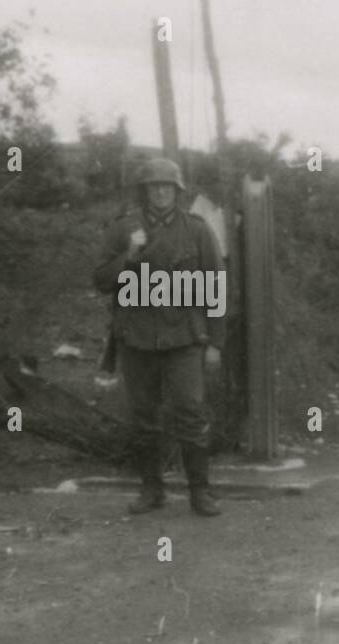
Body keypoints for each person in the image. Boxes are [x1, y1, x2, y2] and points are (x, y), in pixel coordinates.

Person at [92, 157, 225, 516]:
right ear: (145, 191)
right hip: (137, 337)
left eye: (167, 186)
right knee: (143, 417)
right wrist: (130, 255)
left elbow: (215, 287)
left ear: (178, 191)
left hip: (183, 336)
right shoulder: (123, 230)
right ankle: (152, 490)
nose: (161, 192)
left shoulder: (197, 230)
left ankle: (200, 491)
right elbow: (102, 280)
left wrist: (214, 342)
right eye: (154, 186)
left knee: (190, 411)